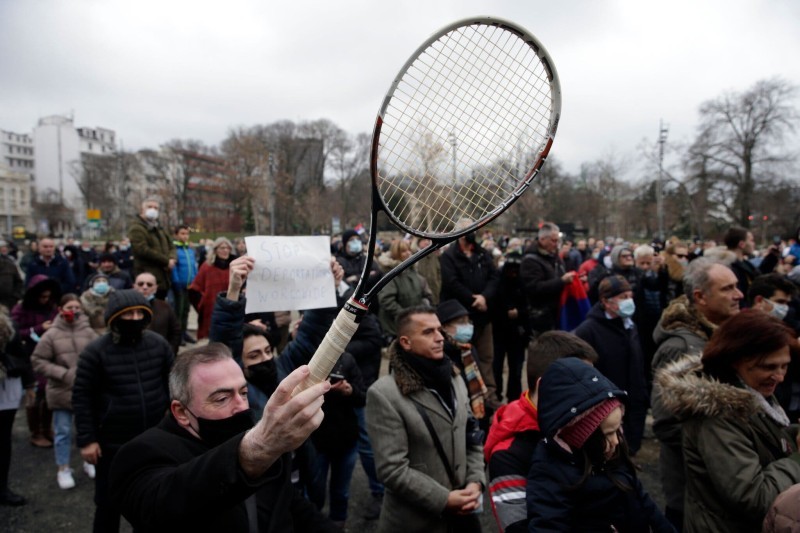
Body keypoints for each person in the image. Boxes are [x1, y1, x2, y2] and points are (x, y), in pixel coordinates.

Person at [109, 344, 339, 532]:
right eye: (221, 398)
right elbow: (163, 507)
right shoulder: (141, 453)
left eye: (244, 393)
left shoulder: (256, 433)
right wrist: (257, 449)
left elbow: (290, 504)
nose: (241, 407)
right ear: (181, 412)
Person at [655, 310, 800, 532]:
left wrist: (792, 434)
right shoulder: (719, 414)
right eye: (769, 367)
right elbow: (754, 497)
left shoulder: (751, 391)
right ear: (736, 361)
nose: (779, 377)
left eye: (784, 366)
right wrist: (797, 459)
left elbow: (762, 439)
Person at [365, 305, 486, 533]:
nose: (440, 338)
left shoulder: (454, 377)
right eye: (428, 332)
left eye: (439, 330)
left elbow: (472, 435)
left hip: (464, 516)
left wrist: (475, 481)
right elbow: (392, 469)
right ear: (406, 342)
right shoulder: (384, 394)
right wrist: (444, 499)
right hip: (416, 522)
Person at [526, 358, 673, 532]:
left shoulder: (613, 453)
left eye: (618, 429)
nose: (617, 440)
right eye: (608, 433)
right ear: (581, 435)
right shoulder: (549, 472)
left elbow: (645, 503)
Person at [650, 257, 743, 530]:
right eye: (727, 289)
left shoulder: (719, 336)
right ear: (700, 297)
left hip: (719, 487)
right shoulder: (681, 347)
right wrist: (726, 447)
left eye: (736, 286)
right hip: (692, 492)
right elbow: (667, 424)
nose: (738, 295)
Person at [72, 289, 174, 533]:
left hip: (153, 439)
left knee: (151, 501)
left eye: (140, 313)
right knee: (108, 504)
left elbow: (173, 385)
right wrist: (87, 440)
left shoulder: (158, 345)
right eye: (128, 314)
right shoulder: (95, 351)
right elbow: (82, 397)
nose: (135, 318)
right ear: (114, 317)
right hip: (112, 443)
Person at [484, 332, 598, 533]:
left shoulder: (587, 422)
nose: (594, 391)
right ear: (546, 386)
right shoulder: (507, 455)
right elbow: (518, 528)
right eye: (582, 382)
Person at [573, 275, 649, 454]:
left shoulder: (630, 325)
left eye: (630, 296)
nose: (629, 301)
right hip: (608, 406)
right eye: (623, 297)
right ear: (605, 302)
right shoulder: (588, 331)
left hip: (634, 399)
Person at [31, 293, 98, 489]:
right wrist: (63, 374)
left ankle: (89, 461)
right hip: (61, 391)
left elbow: (99, 355)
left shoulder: (89, 332)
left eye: (77, 307)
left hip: (86, 391)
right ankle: (63, 468)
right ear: (60, 310)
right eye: (70, 307)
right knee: (63, 432)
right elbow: (37, 361)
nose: (74, 311)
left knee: (87, 429)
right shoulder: (51, 334)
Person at [440, 221, 501, 411]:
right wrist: (472, 298)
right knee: (463, 356)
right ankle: (466, 397)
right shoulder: (449, 256)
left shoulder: (482, 253)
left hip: (483, 314)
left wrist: (484, 297)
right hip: (461, 315)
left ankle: (489, 396)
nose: (474, 233)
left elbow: (494, 276)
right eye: (469, 230)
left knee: (486, 357)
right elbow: (451, 282)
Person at [11, 274, 60, 448]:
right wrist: (39, 328)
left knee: (48, 394)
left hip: (49, 356)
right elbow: (14, 332)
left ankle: (46, 428)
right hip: (29, 356)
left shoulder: (52, 308)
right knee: (34, 396)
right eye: (42, 297)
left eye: (47, 297)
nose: (45, 300)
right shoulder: (21, 309)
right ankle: (36, 432)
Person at [0, 307, 32, 506]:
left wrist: (30, 384)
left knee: (3, 440)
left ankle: (2, 488)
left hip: (5, 388)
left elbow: (21, 355)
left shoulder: (6, 324)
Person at [520, 222, 575, 336]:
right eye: (553, 241)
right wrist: (561, 281)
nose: (556, 245)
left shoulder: (555, 257)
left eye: (558, 241)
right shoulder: (530, 260)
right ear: (542, 239)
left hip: (557, 312)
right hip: (540, 317)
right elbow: (534, 288)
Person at [491, 251, 529, 404]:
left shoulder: (522, 282)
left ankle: (513, 398)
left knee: (516, 370)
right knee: (497, 368)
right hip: (499, 330)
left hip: (517, 332)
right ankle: (497, 395)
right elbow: (493, 302)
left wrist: (518, 312)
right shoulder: (499, 281)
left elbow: (528, 304)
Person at [377, 238, 430, 343]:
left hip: (414, 321)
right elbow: (386, 300)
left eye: (409, 250)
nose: (408, 253)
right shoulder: (391, 274)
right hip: (396, 326)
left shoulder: (412, 270)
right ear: (396, 254)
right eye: (404, 251)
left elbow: (423, 292)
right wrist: (405, 315)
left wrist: (425, 304)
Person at [128, 198, 176, 299]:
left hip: (163, 278)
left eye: (156, 208)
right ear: (142, 209)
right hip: (147, 278)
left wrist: (172, 259)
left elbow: (171, 245)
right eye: (149, 207)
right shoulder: (137, 228)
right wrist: (166, 261)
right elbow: (142, 249)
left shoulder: (160, 228)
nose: (153, 210)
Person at [189, 236, 233, 340]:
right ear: (215, 250)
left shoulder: (234, 266)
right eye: (222, 248)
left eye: (228, 248)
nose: (225, 250)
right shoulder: (207, 266)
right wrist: (202, 304)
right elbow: (194, 289)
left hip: (231, 308)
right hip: (211, 310)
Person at [724, 226, 779, 302]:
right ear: (742, 244)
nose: (754, 244)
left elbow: (759, 277)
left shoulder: (742, 262)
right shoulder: (731, 268)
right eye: (751, 240)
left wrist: (771, 257)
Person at [134, 272, 181, 355]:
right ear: (134, 286)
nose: (145, 287)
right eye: (141, 284)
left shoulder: (165, 307)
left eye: (149, 284)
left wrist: (170, 352)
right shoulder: (126, 308)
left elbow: (175, 332)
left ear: (155, 288)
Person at [171, 224, 198, 345]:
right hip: (179, 285)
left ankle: (184, 331)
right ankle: (178, 335)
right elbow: (174, 268)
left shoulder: (189, 250)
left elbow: (193, 266)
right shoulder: (175, 250)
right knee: (179, 311)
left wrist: (196, 280)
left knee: (186, 310)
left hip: (190, 285)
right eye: (182, 233)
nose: (185, 236)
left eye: (186, 234)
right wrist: (176, 282)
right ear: (176, 235)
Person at [0, 239, 24, 310]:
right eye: (2, 248)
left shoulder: (10, 263)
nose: (4, 249)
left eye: (5, 247)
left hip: (9, 303)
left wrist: (15, 297)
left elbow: (18, 282)